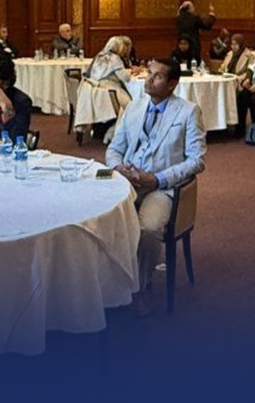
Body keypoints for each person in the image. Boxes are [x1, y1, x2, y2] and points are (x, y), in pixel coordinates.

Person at [105, 57, 206, 317]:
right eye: (149, 73)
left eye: (157, 76)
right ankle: (108, 285)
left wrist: (158, 179)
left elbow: (196, 161)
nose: (148, 79)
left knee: (148, 229)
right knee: (100, 218)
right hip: (127, 183)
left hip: (162, 188)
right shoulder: (134, 107)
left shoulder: (188, 112)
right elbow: (114, 149)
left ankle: (140, 288)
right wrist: (119, 168)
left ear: (172, 84)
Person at [81, 37, 138, 142]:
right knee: (130, 105)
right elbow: (125, 77)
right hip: (109, 89)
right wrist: (131, 71)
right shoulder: (114, 58)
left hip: (96, 89)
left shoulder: (100, 55)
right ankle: (114, 132)